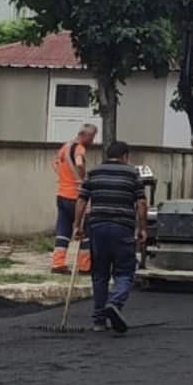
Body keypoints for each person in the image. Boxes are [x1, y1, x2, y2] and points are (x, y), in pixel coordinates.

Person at [73, 138, 148, 334]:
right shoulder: (132, 174)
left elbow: (81, 200)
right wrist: (143, 228)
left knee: (99, 274)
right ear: (125, 157)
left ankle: (99, 321)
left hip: (97, 228)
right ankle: (114, 303)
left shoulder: (94, 172)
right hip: (122, 228)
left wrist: (77, 226)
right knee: (125, 272)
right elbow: (141, 203)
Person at [52, 122, 96, 273]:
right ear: (87, 135)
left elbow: (55, 164)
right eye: (92, 137)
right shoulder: (79, 149)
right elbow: (79, 163)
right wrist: (83, 177)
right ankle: (85, 266)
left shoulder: (64, 147)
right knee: (84, 230)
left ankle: (58, 264)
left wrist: (64, 178)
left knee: (63, 229)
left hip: (62, 194)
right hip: (76, 196)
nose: (92, 142)